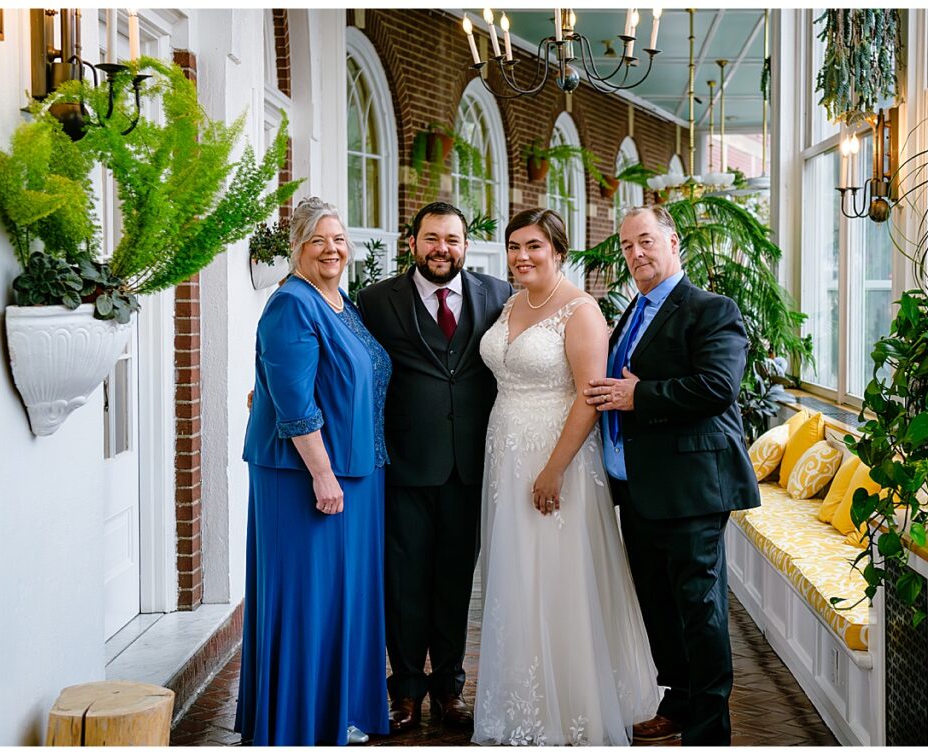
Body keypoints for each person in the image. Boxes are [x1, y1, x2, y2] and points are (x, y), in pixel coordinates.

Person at [472, 208, 660, 746]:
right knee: (516, 575)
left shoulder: (581, 312)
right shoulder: (512, 303)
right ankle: (523, 699)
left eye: (533, 246)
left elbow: (591, 396)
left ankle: (573, 704)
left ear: (558, 250)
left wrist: (553, 469)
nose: (521, 256)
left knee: (555, 576)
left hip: (557, 459)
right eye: (513, 247)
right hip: (505, 455)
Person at [583, 205, 760, 746]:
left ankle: (709, 729)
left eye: (645, 241)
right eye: (628, 246)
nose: (636, 254)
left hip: (691, 488)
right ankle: (677, 704)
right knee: (659, 607)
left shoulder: (711, 310)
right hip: (637, 488)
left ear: (672, 241)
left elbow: (716, 388)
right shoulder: (631, 313)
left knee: (699, 611)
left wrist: (641, 395)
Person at [236, 198, 391, 746]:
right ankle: (296, 723)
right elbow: (296, 401)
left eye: (339, 239)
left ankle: (334, 713)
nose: (332, 249)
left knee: (342, 601)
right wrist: (323, 475)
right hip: (307, 477)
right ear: (297, 248)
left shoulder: (338, 300)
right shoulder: (291, 304)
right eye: (318, 240)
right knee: (308, 600)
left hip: (357, 472)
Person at [356, 202, 513, 733]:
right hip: (404, 464)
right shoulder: (376, 300)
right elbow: (351, 365)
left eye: (451, 238)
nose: (441, 248)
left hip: (470, 465)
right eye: (431, 238)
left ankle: (449, 688)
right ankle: (404, 690)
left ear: (466, 244)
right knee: (403, 582)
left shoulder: (498, 295)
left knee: (454, 581)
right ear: (413, 242)